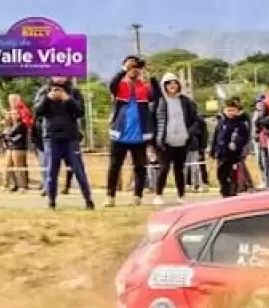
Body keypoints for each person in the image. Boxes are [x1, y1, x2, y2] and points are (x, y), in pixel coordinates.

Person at [33, 78, 95, 210]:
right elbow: (37, 112)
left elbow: (80, 112)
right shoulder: (44, 91)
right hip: (52, 137)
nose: (60, 77)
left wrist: (67, 99)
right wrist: (48, 98)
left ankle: (88, 200)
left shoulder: (74, 91)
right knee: (52, 171)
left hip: (71, 138)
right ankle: (51, 201)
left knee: (79, 170)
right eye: (57, 74)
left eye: (62, 74)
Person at [106, 55, 160, 207]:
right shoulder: (119, 86)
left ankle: (137, 196)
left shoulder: (145, 87)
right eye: (131, 67)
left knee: (140, 167)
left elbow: (156, 95)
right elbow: (112, 85)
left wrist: (152, 75)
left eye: (137, 67)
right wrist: (124, 69)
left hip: (139, 135)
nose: (134, 69)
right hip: (119, 135)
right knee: (114, 166)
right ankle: (110, 196)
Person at [153, 73, 201, 205]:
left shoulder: (185, 101)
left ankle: (181, 195)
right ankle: (158, 194)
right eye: (168, 83)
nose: (172, 85)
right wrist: (155, 139)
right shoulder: (160, 101)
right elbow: (153, 121)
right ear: (164, 85)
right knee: (164, 168)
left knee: (179, 169)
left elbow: (195, 120)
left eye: (174, 82)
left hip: (182, 140)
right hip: (165, 141)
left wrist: (189, 133)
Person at [212, 98, 251, 197]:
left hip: (233, 155)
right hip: (221, 153)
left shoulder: (240, 125)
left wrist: (237, 143)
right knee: (221, 173)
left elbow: (244, 138)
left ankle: (232, 190)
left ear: (237, 111)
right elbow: (216, 137)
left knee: (232, 174)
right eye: (228, 110)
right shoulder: (221, 123)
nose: (230, 112)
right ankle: (224, 189)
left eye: (233, 110)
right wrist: (213, 151)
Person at [0, 110, 29, 192]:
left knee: (18, 167)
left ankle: (22, 185)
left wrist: (7, 136)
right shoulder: (10, 125)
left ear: (19, 115)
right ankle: (10, 184)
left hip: (18, 148)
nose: (14, 115)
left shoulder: (21, 125)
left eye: (16, 114)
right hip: (10, 147)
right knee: (7, 166)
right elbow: (3, 135)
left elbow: (14, 136)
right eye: (12, 114)